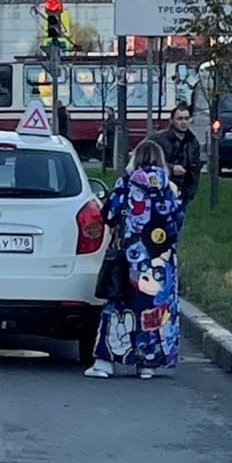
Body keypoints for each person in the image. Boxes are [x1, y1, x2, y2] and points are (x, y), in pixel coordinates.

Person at [85, 138, 184, 380]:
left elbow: (108, 213)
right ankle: (147, 365)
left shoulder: (126, 184)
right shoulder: (170, 188)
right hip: (161, 261)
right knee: (154, 310)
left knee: (119, 308)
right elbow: (177, 221)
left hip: (130, 260)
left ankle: (105, 363)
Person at [150, 102, 202, 204]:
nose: (184, 122)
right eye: (180, 119)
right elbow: (149, 163)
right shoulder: (158, 140)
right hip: (162, 189)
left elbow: (195, 168)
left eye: (186, 119)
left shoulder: (193, 141)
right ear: (171, 120)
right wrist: (171, 169)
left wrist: (191, 192)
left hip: (184, 192)